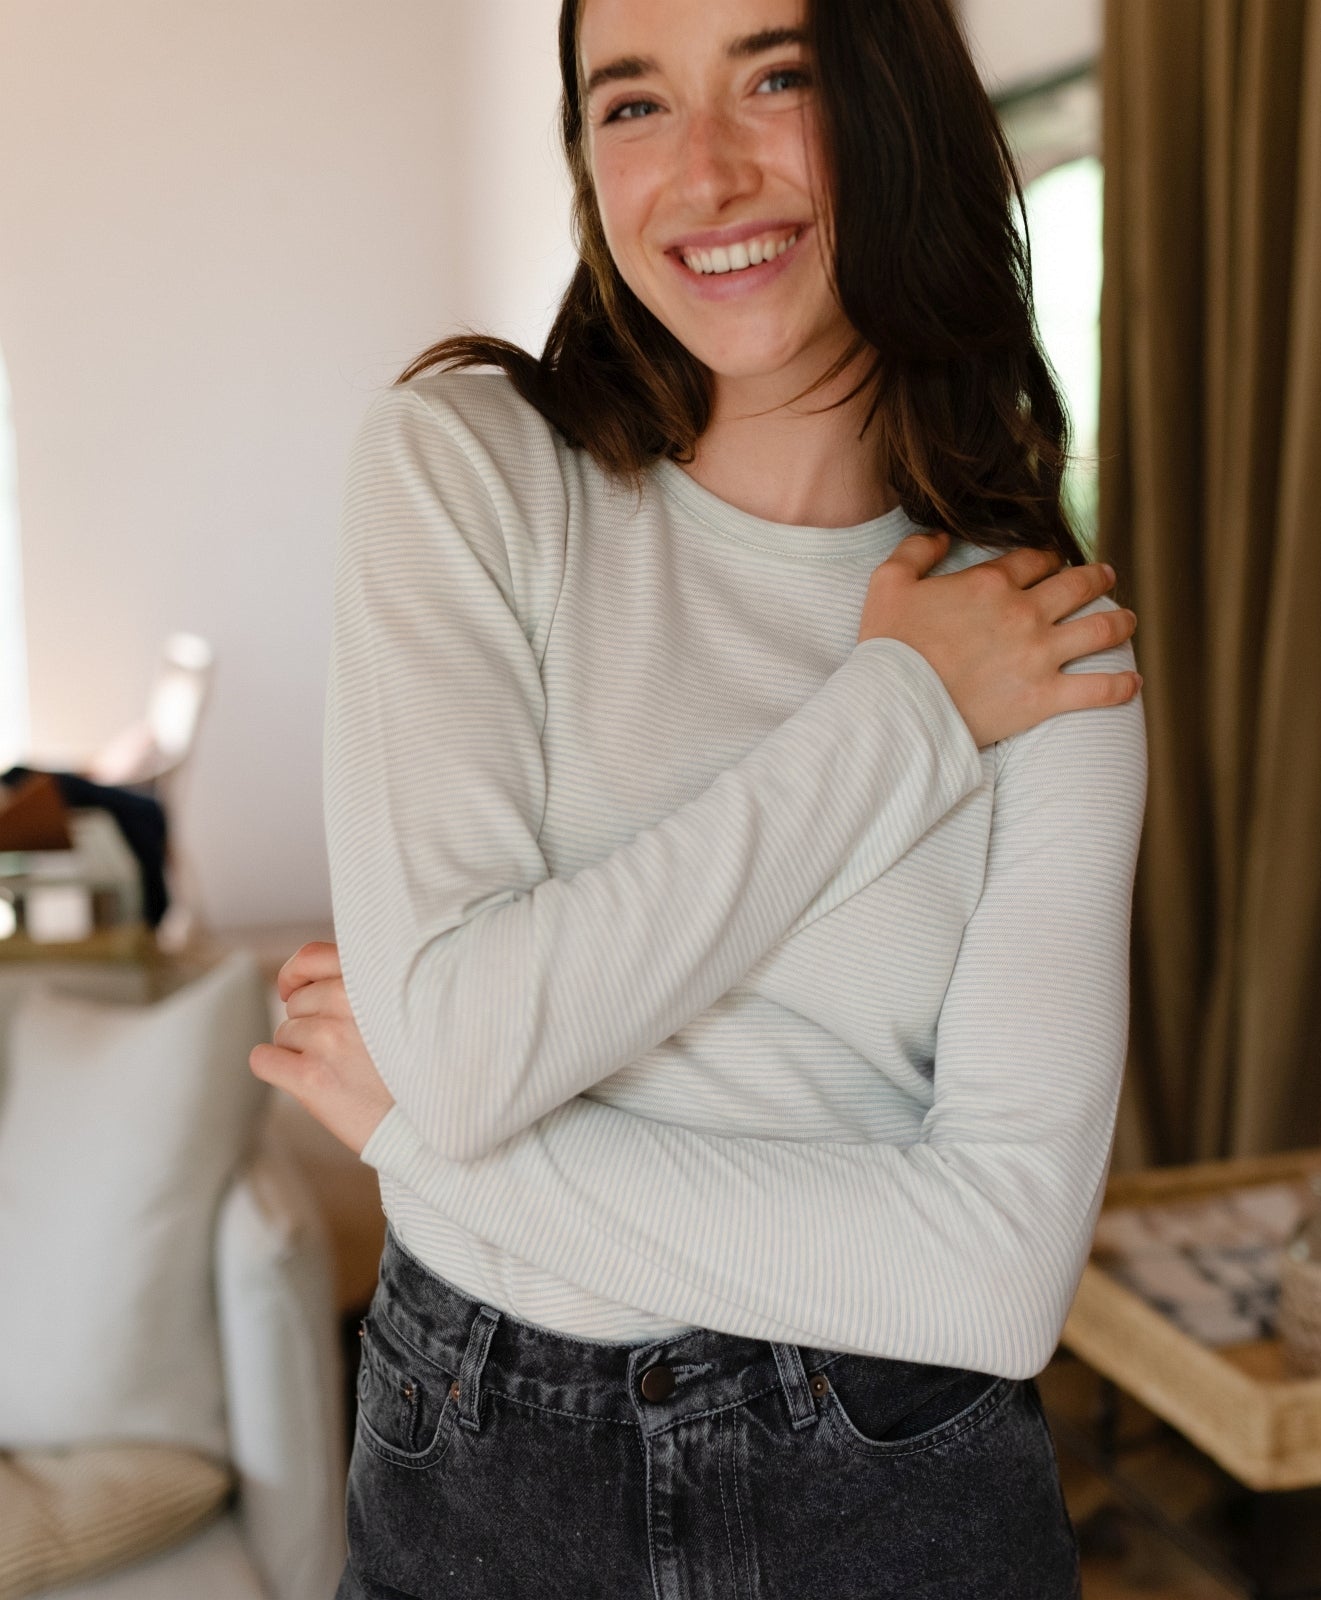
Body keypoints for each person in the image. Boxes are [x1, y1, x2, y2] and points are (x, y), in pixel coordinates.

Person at [248, 0, 1147, 1592]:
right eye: (633, 104)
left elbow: (999, 1278)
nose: (705, 172)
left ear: (893, 103)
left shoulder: (1044, 638)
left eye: (775, 77)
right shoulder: (468, 470)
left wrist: (431, 1143)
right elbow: (462, 1049)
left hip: (889, 1490)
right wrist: (902, 715)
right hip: (478, 1479)